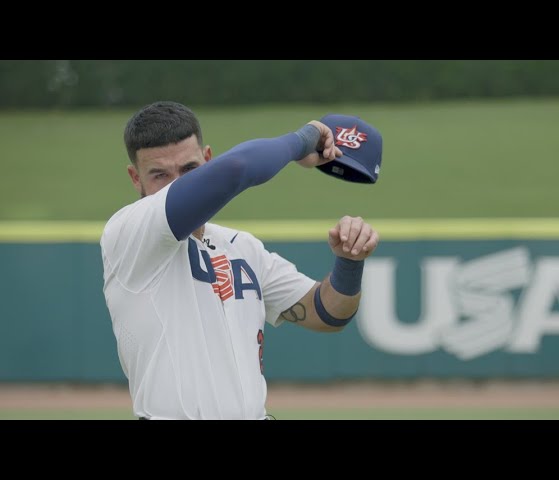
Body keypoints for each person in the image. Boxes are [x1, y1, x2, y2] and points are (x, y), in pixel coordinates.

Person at [100, 101, 379, 420]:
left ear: (207, 159)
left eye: (190, 169)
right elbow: (236, 170)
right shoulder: (129, 233)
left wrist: (349, 261)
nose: (180, 184)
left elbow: (328, 313)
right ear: (135, 178)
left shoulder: (241, 246)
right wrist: (305, 138)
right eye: (160, 174)